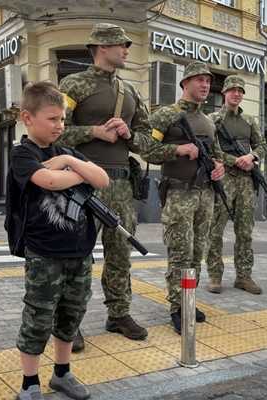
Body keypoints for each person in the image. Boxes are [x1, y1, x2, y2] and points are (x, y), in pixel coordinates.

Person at [55, 23, 177, 350]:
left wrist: (127, 133)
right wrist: (93, 132)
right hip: (81, 183)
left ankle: (119, 313)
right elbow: (55, 132)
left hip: (121, 185)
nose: (126, 50)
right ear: (102, 47)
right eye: (121, 45)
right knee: (77, 254)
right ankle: (69, 322)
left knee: (120, 253)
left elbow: (148, 144)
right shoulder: (72, 84)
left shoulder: (131, 92)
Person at [7, 81, 110, 400]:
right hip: (44, 253)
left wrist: (72, 162)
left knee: (71, 314)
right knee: (38, 317)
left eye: (62, 119)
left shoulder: (67, 152)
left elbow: (102, 179)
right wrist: (81, 173)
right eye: (52, 118)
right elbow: (48, 180)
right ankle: (29, 383)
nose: (59, 125)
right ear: (28, 118)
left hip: (80, 250)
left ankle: (62, 374)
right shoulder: (22, 154)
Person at [141, 61, 226, 334]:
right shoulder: (166, 115)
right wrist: (178, 150)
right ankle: (177, 307)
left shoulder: (209, 121)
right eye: (199, 80)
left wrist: (219, 166)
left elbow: (217, 154)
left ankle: (189, 299)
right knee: (180, 252)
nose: (205, 85)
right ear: (185, 83)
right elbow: (146, 150)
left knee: (197, 252)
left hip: (205, 195)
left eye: (208, 81)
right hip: (178, 193)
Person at [204, 75, 266, 295]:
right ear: (224, 92)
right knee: (215, 230)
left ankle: (244, 276)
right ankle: (214, 276)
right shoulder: (212, 119)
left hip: (246, 181)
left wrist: (252, 157)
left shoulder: (249, 120)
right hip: (224, 179)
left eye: (240, 91)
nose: (237, 94)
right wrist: (233, 160)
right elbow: (209, 148)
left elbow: (261, 145)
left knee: (245, 231)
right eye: (233, 90)